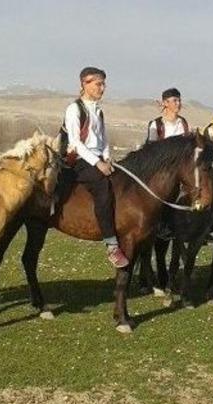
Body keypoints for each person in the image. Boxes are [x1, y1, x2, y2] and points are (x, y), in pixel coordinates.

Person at [64, 66, 129, 268]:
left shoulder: (99, 111)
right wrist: (97, 163)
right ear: (85, 83)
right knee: (102, 188)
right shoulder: (74, 108)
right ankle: (111, 245)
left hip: (99, 158)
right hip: (79, 160)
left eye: (103, 84)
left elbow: (104, 139)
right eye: (98, 83)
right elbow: (75, 142)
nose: (103, 88)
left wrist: (108, 158)